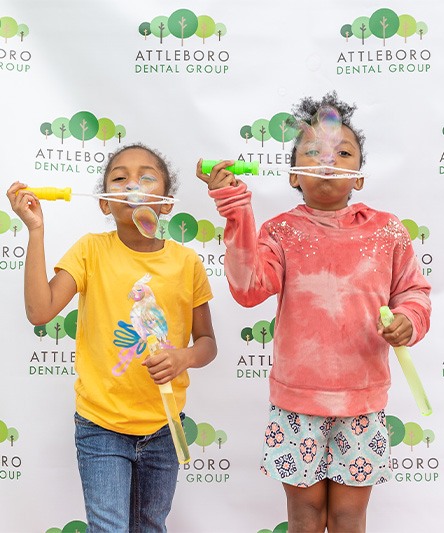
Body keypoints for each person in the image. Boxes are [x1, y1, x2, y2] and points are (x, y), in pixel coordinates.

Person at [196, 92, 431, 533]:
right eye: (313, 151)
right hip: (296, 403)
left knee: (348, 516)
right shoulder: (280, 231)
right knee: (304, 517)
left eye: (343, 152)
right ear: (292, 176)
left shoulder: (386, 231)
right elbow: (247, 289)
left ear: (358, 177)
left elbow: (413, 292)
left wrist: (409, 320)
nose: (329, 159)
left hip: (362, 402)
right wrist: (235, 206)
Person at [7, 143, 217, 533]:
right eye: (119, 178)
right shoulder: (91, 250)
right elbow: (40, 311)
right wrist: (36, 230)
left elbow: (207, 342)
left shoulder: (187, 263)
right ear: (105, 202)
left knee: (151, 525)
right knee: (109, 527)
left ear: (167, 203)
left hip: (164, 426)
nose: (132, 184)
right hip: (100, 425)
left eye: (146, 177)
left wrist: (183, 358)